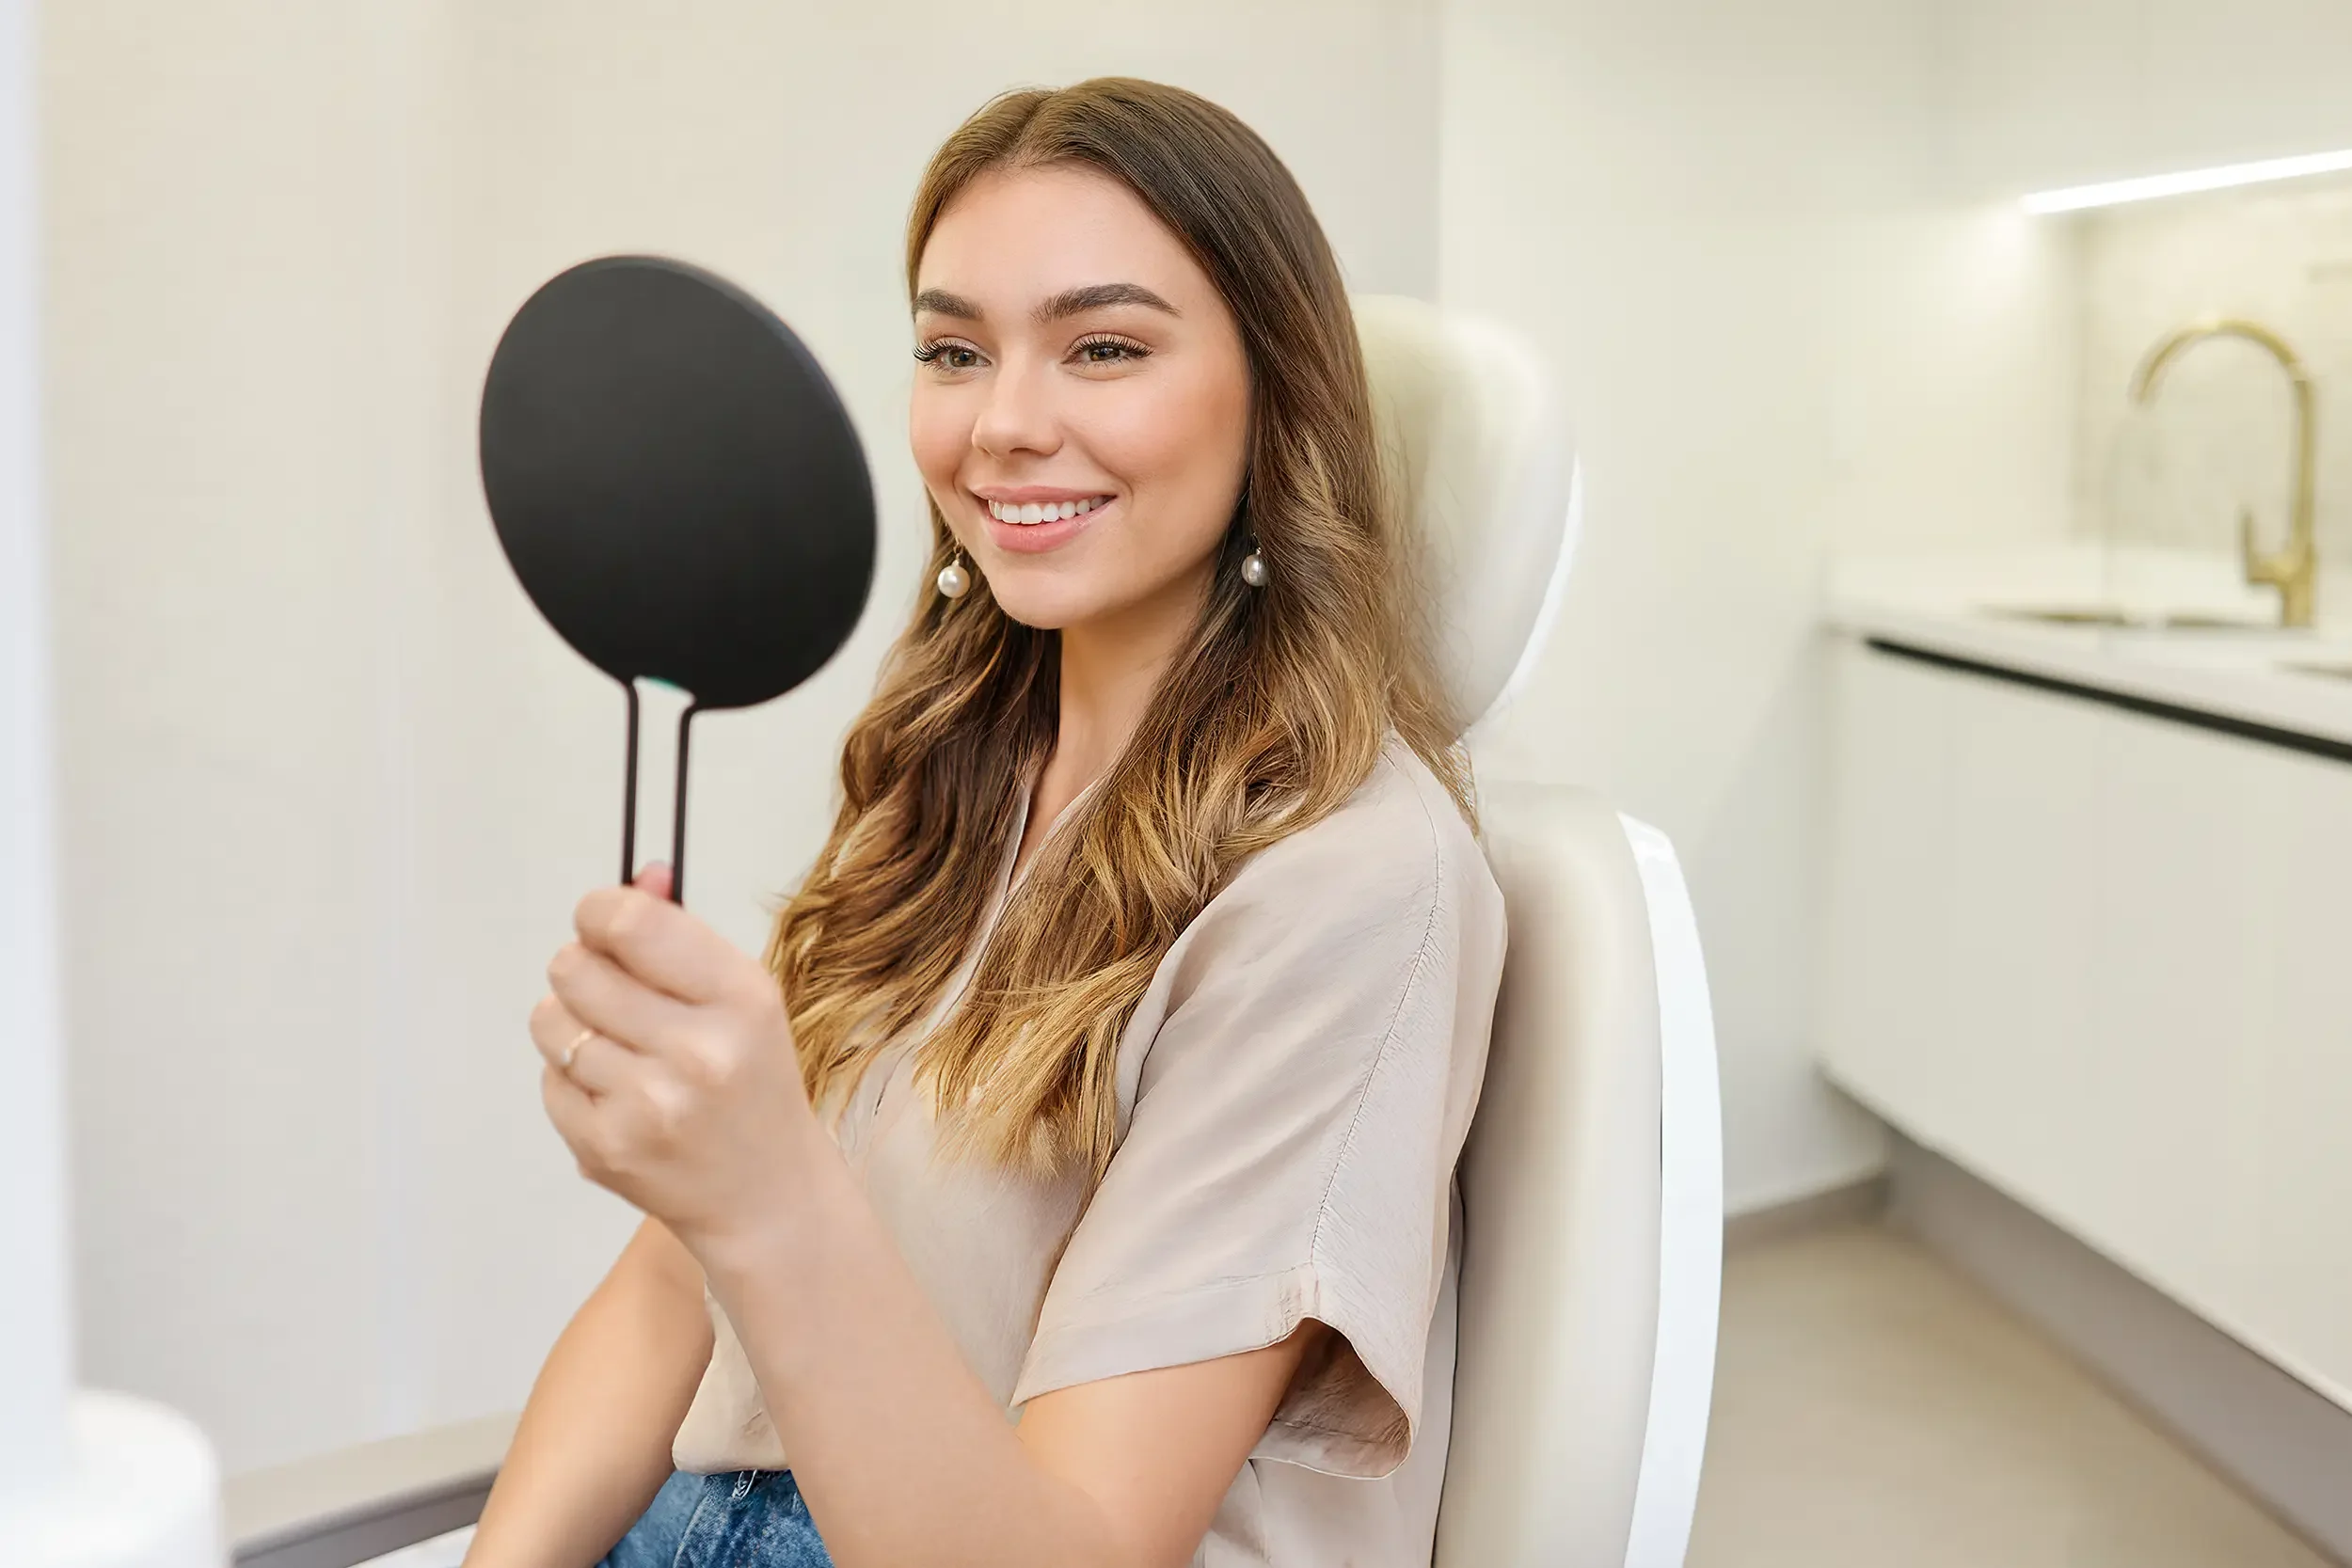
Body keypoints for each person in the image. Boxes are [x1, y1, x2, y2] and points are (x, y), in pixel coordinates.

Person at [462, 76, 1505, 1568]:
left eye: (1104, 347)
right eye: (955, 350)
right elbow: (667, 1295)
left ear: (1276, 394)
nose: (1004, 424)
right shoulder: (951, 769)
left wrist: (769, 1192)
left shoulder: (1350, 886)